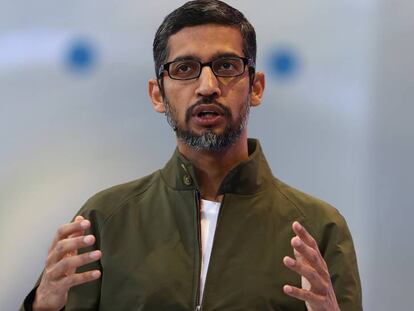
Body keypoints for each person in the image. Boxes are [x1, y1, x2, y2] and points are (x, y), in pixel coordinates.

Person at [21, 1, 362, 310]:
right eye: (185, 69)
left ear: (256, 87)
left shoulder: (318, 229)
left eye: (226, 65)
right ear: (158, 95)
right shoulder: (104, 221)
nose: (208, 86)